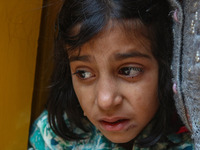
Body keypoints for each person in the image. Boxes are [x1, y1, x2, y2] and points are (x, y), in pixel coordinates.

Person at [29, 0, 194, 149]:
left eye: (128, 71)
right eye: (84, 73)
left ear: (169, 65)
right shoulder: (52, 139)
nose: (105, 100)